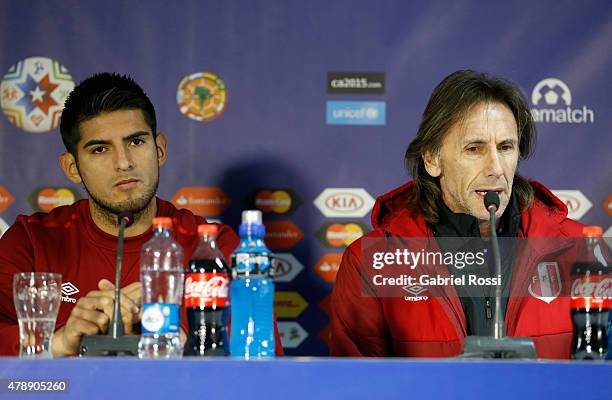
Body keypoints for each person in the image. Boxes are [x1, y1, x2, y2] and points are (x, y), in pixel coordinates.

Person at [0, 73, 281, 356]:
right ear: (72, 167)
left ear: (159, 150)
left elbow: (263, 359)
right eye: (100, 149)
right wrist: (60, 341)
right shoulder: (31, 242)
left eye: (135, 142)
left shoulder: (214, 249)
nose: (123, 163)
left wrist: (173, 334)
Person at [330, 70, 584, 359]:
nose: (496, 167)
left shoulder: (578, 250)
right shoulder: (372, 262)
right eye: (474, 149)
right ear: (432, 159)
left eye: (505, 147)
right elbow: (356, 387)